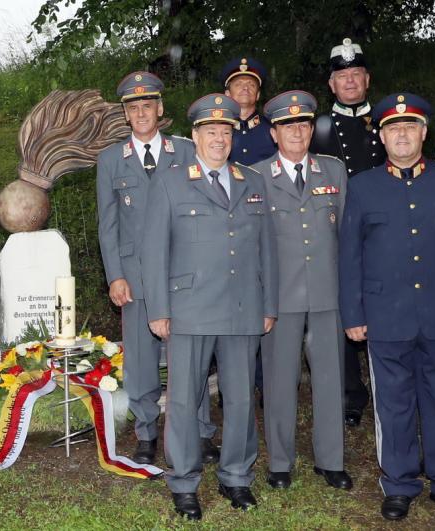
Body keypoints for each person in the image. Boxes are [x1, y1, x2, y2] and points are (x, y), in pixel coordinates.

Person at [339, 93, 435, 523]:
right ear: (382, 137)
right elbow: (349, 256)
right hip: (385, 315)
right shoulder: (363, 185)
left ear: (424, 133)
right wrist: (354, 315)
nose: (401, 135)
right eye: (392, 129)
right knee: (393, 404)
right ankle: (399, 483)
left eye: (409, 128)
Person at [141, 93, 278, 520]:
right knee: (183, 399)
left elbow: (267, 251)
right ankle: (183, 481)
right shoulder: (170, 181)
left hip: (242, 307)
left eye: (226, 131)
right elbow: (153, 252)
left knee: (239, 398)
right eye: (210, 131)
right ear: (195, 136)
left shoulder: (252, 181)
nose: (219, 138)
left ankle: (236, 476)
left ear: (233, 136)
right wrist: (158, 310)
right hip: (190, 309)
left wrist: (268, 304)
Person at [96, 71, 218, 465]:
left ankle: (200, 431)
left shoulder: (184, 152)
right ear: (126, 115)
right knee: (142, 361)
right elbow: (107, 223)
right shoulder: (111, 160)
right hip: (136, 277)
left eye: (147, 105)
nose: (141, 113)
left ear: (160, 109)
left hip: (183, 275)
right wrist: (115, 274)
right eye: (133, 108)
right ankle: (146, 431)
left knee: (191, 356)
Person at [252, 90, 351, 491]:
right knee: (279, 381)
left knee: (331, 380)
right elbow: (254, 244)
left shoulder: (334, 171)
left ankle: (331, 460)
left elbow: (345, 235)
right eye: (287, 126)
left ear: (312, 129)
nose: (297, 131)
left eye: (304, 124)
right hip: (281, 297)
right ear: (273, 133)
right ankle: (280, 461)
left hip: (328, 295)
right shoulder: (255, 175)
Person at [311, 37, 386, 428]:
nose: (350, 82)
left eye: (356, 74)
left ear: (367, 79)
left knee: (382, 312)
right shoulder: (319, 127)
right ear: (332, 84)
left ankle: (385, 387)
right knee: (342, 314)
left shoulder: (389, 122)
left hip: (383, 234)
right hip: (337, 231)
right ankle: (349, 394)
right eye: (343, 76)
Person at [221, 56, 277, 165]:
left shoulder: (273, 129)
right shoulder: (217, 131)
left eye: (251, 84)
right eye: (238, 84)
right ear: (227, 94)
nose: (245, 88)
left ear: (258, 95)